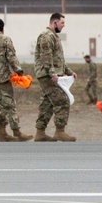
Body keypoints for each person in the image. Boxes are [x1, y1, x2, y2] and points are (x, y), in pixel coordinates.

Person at [34, 12, 77, 142]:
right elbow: (46, 58)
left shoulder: (53, 37)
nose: (64, 26)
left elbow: (58, 60)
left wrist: (69, 72)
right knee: (62, 100)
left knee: (47, 104)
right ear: (55, 22)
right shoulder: (46, 37)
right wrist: (53, 74)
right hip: (47, 75)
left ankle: (40, 133)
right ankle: (60, 131)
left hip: (51, 74)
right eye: (62, 23)